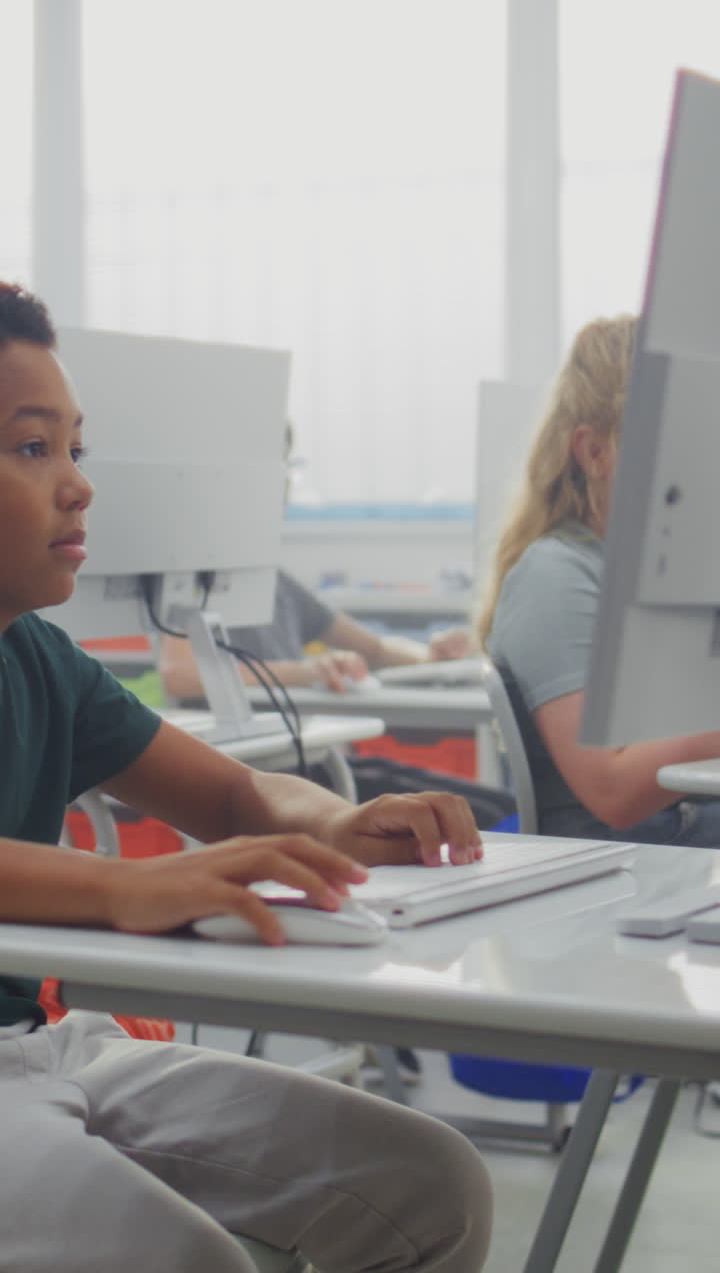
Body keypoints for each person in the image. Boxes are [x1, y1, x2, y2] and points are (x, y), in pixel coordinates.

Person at [0, 282, 493, 1272]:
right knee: (188, 1257)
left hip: (42, 1040)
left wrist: (340, 821)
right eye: (30, 446)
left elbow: (230, 794)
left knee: (432, 1184)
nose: (78, 483)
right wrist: (126, 886)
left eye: (75, 449)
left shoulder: (38, 658)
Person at [479, 313, 720, 846]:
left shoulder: (656, 580)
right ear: (594, 452)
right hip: (631, 864)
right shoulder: (555, 577)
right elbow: (614, 792)